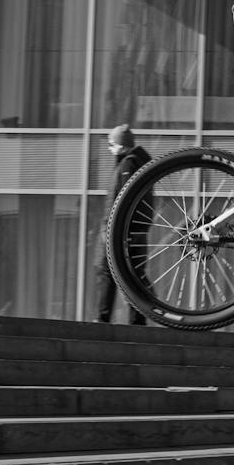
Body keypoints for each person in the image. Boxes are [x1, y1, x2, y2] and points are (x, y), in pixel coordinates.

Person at [95, 123, 149, 325]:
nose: (109, 148)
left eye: (111, 144)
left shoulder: (128, 165)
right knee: (132, 274)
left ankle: (104, 318)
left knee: (110, 272)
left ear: (121, 145)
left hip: (122, 231)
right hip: (131, 230)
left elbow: (125, 200)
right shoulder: (135, 163)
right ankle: (138, 318)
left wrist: (112, 230)